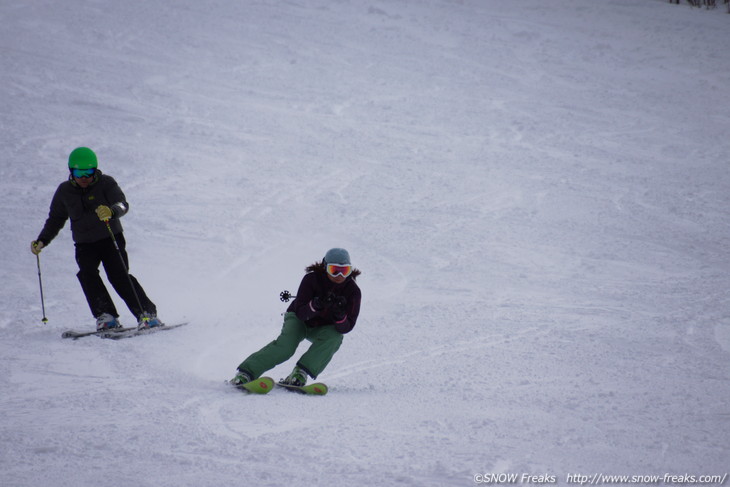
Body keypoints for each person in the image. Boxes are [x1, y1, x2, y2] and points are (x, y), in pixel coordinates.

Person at [31, 147, 163, 331]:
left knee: (119, 275)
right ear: (71, 171)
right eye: (79, 172)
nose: (84, 177)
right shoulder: (64, 191)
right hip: (84, 244)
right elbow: (55, 219)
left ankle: (146, 314)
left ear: (95, 170)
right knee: (87, 274)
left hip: (110, 238)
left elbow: (122, 205)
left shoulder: (106, 183)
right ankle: (106, 316)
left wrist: (112, 211)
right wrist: (43, 240)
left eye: (89, 172)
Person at [232, 248, 362, 387]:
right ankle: (246, 372)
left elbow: (347, 327)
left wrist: (339, 315)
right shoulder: (312, 279)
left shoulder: (353, 291)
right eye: (334, 270)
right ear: (325, 267)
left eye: (345, 270)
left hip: (324, 327)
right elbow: (301, 313)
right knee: (286, 347)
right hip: (299, 320)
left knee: (335, 337)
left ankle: (300, 373)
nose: (340, 275)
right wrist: (316, 305)